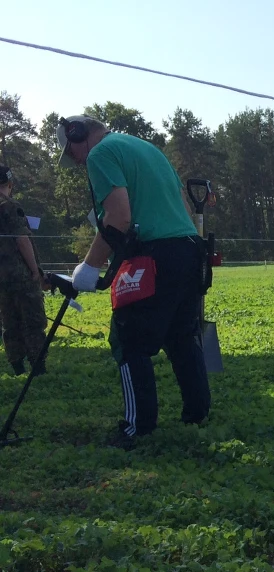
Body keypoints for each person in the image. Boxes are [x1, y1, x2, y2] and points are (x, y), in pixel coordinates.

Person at [59, 115, 210, 448]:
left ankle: (136, 428)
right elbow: (182, 206)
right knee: (182, 337)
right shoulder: (148, 148)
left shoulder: (101, 154)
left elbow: (118, 217)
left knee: (129, 341)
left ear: (78, 135)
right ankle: (197, 416)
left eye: (72, 154)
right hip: (188, 249)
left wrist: (88, 267)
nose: (77, 162)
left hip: (152, 255)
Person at [0, 166, 48, 376]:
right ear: (9, 185)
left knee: (9, 321)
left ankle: (17, 365)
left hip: (1, 278)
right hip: (19, 274)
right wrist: (34, 270)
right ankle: (38, 367)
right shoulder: (10, 206)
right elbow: (21, 239)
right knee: (32, 320)